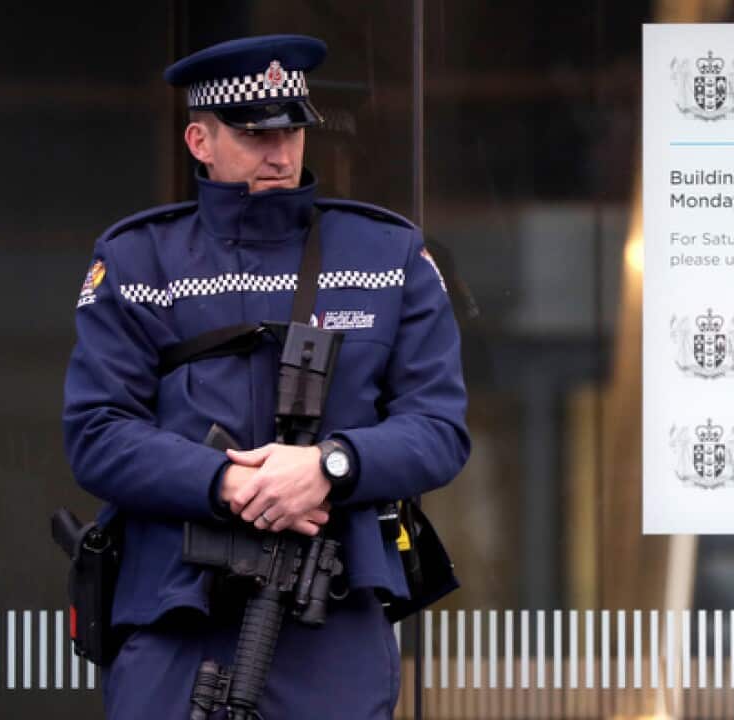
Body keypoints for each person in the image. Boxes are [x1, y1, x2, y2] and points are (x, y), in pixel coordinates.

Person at [62, 34, 470, 718]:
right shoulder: (139, 261)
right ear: (200, 140)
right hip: (176, 614)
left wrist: (331, 467)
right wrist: (227, 482)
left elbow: (439, 429)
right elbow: (97, 434)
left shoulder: (388, 253)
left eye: (292, 131)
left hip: (328, 617)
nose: (281, 153)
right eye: (254, 135)